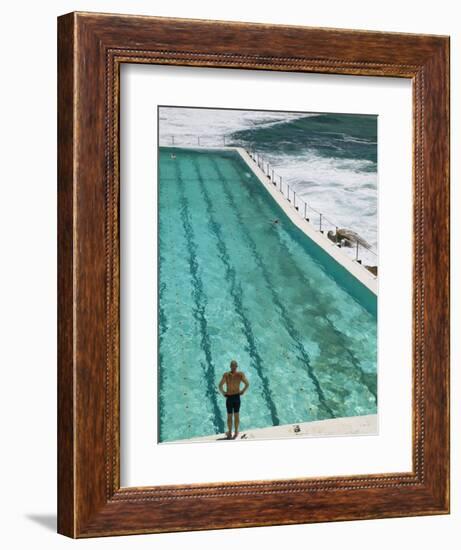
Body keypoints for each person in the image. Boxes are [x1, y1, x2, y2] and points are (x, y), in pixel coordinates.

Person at [218, 360, 249, 439]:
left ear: (230, 366)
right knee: (236, 415)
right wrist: (242, 391)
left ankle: (229, 433)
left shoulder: (226, 375)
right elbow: (247, 384)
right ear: (237, 366)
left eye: (232, 366)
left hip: (229, 398)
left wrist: (224, 393)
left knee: (229, 416)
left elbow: (220, 386)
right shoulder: (240, 375)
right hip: (237, 397)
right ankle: (236, 432)